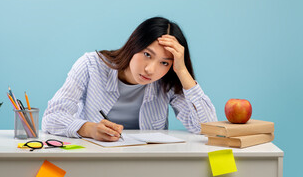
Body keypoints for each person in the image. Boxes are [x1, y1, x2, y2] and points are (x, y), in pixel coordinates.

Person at [42, 17, 217, 141]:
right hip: (94, 161)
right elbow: (52, 117)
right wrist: (89, 129)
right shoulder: (91, 65)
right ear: (134, 45)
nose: (150, 69)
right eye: (147, 54)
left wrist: (182, 70)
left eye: (164, 62)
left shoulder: (167, 81)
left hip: (145, 165)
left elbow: (208, 129)